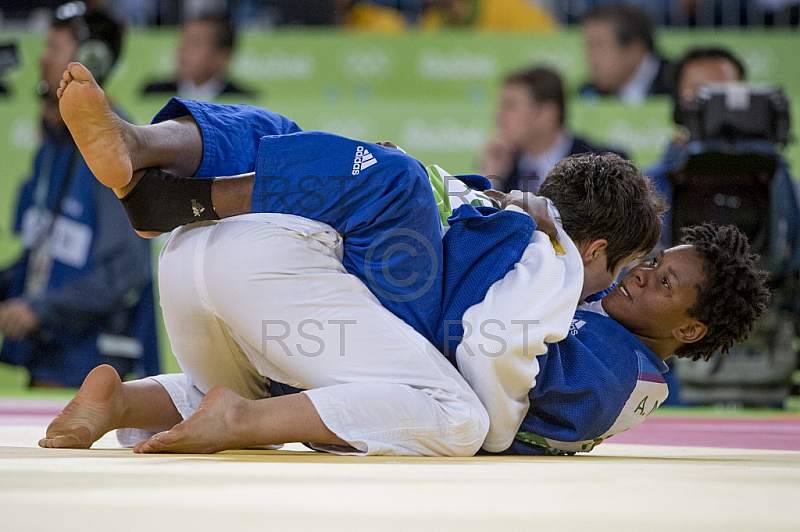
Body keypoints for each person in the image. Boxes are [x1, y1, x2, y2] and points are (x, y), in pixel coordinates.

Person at [41, 63, 764, 456]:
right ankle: (157, 173)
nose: (639, 277)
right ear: (595, 248)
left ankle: (126, 398)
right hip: (285, 280)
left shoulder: (516, 227)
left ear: (692, 327)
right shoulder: (555, 262)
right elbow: (495, 350)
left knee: (335, 154)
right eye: (647, 262)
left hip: (210, 271)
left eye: (662, 278)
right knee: (459, 417)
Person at [0, 5, 159, 388]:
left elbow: (123, 273)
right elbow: (42, 251)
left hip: (92, 373)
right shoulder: (55, 146)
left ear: (91, 61)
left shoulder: (113, 148)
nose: (42, 56)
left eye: (54, 47)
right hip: (48, 361)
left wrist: (39, 309)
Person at [479, 66, 628, 194]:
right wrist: (490, 179)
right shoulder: (501, 166)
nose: (498, 116)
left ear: (547, 115)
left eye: (510, 106)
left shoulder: (603, 166)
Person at [141, 13, 253, 101]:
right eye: (182, 41)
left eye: (194, 43)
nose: (182, 50)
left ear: (223, 56)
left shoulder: (242, 101)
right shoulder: (154, 93)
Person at [579, 4, 673, 105]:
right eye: (588, 46)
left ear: (635, 49)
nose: (590, 57)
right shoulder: (586, 94)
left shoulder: (677, 85)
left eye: (598, 45)